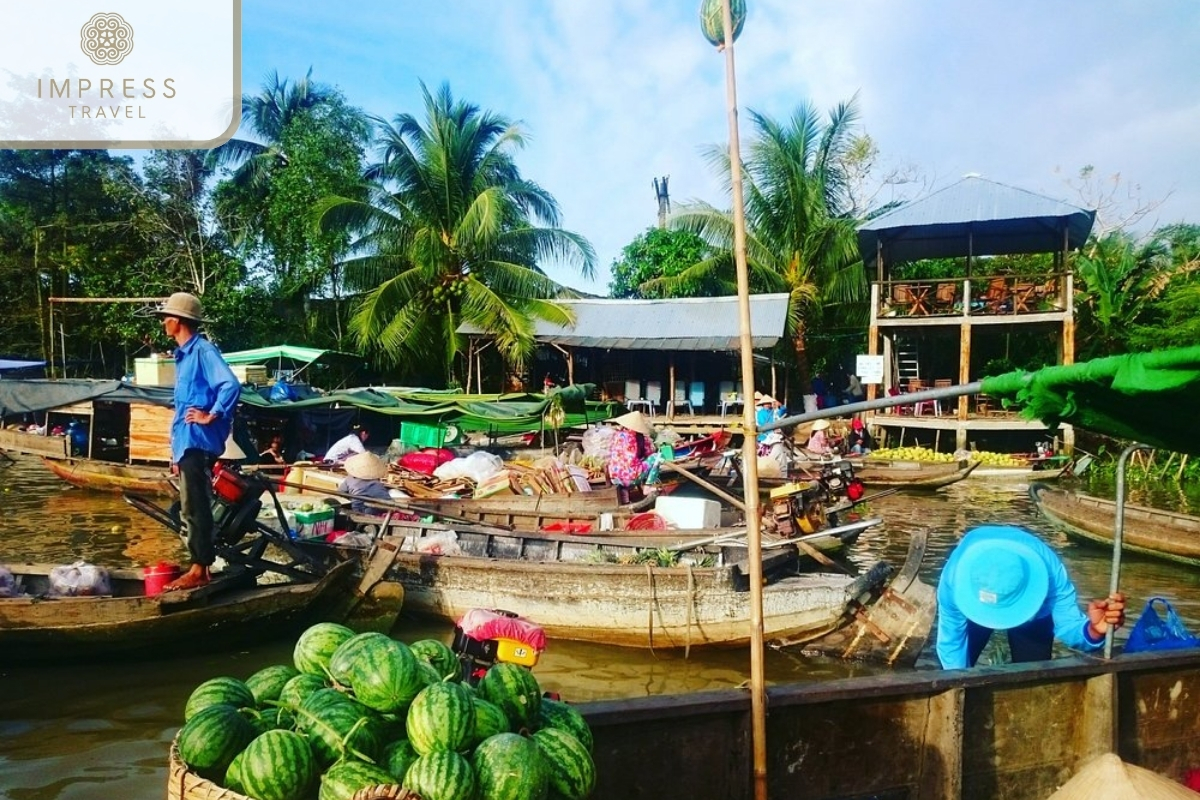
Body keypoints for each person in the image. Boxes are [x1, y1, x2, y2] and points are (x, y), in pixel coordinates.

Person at [936, 525, 1126, 669]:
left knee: (1033, 675)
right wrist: (956, 689)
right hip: (976, 595)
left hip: (1033, 608)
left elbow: (1068, 626)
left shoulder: (1051, 576)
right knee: (957, 671)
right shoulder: (955, 581)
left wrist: (1094, 630)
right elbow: (951, 644)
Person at [156, 292, 240, 592]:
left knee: (196, 507)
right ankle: (198, 563)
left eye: (167, 317)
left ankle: (200, 568)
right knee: (189, 506)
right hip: (187, 442)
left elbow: (230, 384)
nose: (164, 322)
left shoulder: (202, 350)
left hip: (198, 440)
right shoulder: (184, 356)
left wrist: (211, 415)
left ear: (177, 321)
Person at [606, 411, 657, 504]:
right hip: (630, 479)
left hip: (614, 477)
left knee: (630, 464)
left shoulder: (617, 435)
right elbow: (649, 453)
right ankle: (647, 487)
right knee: (656, 457)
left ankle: (625, 493)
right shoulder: (640, 437)